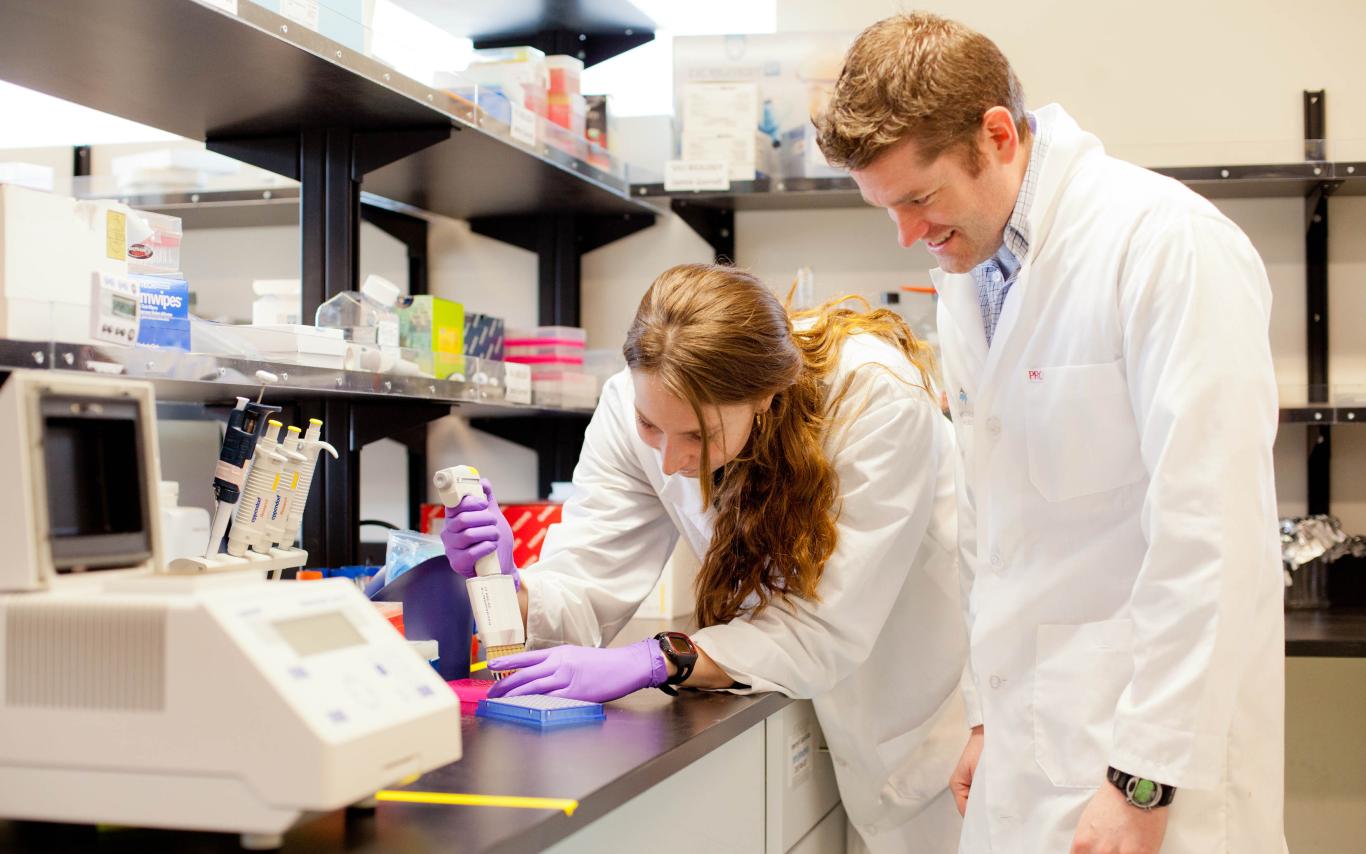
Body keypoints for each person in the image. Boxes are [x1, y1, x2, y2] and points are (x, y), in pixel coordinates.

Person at [815, 12, 1286, 854]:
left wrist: (1144, 778)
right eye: (886, 209)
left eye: (919, 199)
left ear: (997, 135)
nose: (909, 234)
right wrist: (985, 717)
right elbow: (992, 530)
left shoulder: (1165, 245)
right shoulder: (975, 274)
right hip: (1029, 752)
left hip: (1149, 771)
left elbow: (1213, 534)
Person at [442, 263, 967, 852]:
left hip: (930, 718)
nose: (670, 461)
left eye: (699, 436)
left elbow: (823, 625)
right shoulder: (635, 402)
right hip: (810, 704)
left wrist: (663, 656)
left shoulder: (872, 398)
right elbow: (588, 577)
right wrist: (507, 584)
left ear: (765, 396)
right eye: (650, 426)